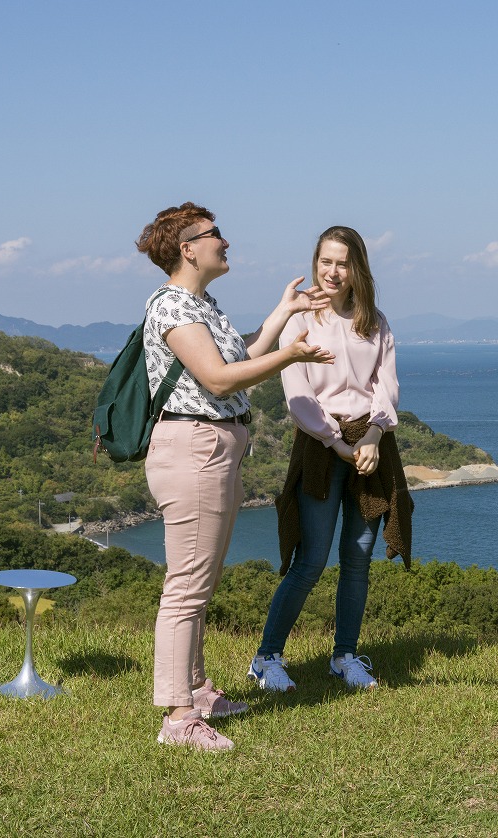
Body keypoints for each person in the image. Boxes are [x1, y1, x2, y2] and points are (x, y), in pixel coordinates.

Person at [137, 202, 334, 751]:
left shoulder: (200, 304)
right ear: (187, 248)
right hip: (193, 448)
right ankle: (178, 718)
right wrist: (292, 355)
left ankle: (197, 691)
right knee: (186, 589)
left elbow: (239, 355)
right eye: (215, 234)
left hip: (215, 448)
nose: (225, 242)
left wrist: (282, 315)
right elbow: (220, 380)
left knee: (200, 582)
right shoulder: (173, 306)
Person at [248, 225, 412, 693]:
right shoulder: (302, 319)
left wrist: (375, 435)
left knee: (358, 556)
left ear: (357, 267)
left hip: (370, 443)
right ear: (315, 262)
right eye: (325, 261)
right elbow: (296, 394)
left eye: (343, 262)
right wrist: (336, 442)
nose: (333, 271)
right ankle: (266, 658)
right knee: (312, 559)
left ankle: (344, 656)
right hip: (321, 445)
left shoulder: (375, 321)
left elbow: (387, 386)